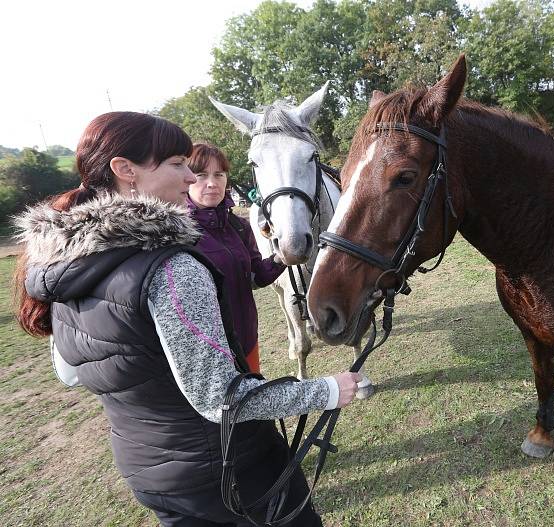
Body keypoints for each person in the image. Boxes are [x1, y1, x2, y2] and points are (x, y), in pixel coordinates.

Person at [14, 112, 362, 527]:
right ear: (125, 171)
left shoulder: (59, 263)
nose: (190, 179)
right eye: (178, 164)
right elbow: (221, 398)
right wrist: (326, 390)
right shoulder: (171, 268)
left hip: (146, 469)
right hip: (225, 467)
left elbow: (71, 373)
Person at [187, 142, 281, 373]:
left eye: (219, 174)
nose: (212, 183)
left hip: (247, 339)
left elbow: (256, 277)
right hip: (208, 353)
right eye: (201, 175)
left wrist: (282, 257)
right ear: (185, 179)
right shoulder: (177, 231)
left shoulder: (238, 226)